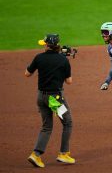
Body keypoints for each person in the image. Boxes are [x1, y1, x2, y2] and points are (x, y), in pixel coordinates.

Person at [25, 34, 75, 168]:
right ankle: (63, 153)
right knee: (68, 123)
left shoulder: (39, 57)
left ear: (47, 45)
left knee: (47, 127)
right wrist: (63, 63)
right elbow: (69, 82)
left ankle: (36, 155)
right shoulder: (63, 60)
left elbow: (27, 73)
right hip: (55, 100)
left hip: (41, 97)